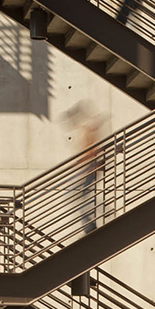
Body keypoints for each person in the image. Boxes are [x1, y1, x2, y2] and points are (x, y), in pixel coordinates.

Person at [64, 100, 102, 235]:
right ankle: (90, 225)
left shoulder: (87, 129)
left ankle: (90, 228)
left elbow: (92, 150)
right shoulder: (85, 128)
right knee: (81, 196)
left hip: (88, 167)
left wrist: (81, 162)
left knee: (80, 196)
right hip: (87, 166)